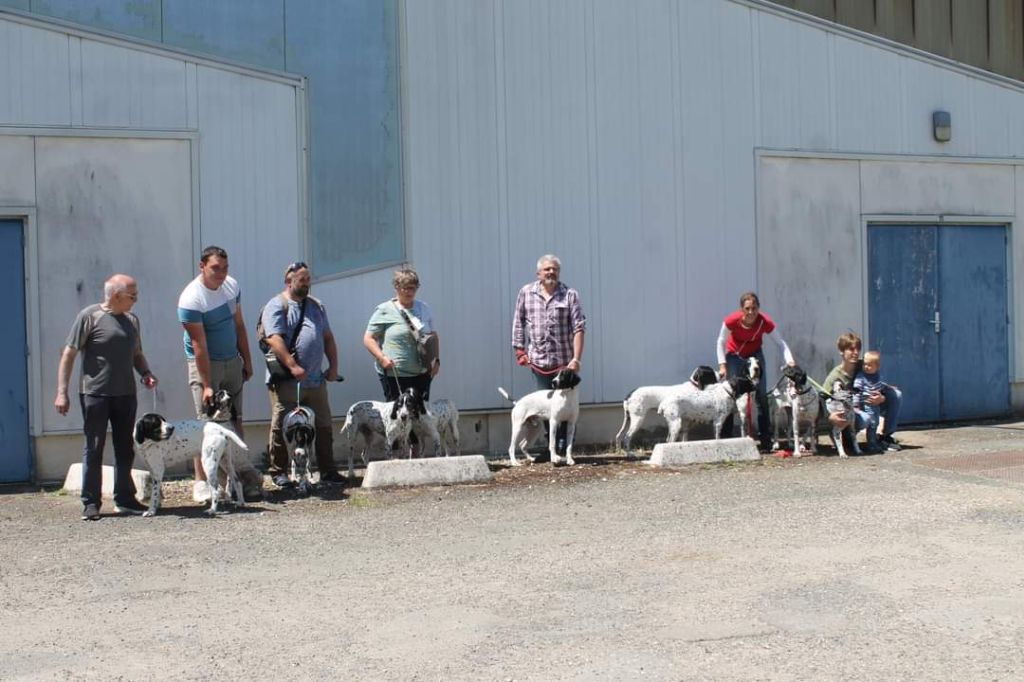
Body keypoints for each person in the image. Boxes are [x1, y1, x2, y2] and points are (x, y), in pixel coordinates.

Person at [54, 274, 157, 520]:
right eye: (132, 296)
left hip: (125, 393)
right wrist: (62, 392)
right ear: (116, 295)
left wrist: (146, 373)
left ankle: (125, 498)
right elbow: (69, 354)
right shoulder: (89, 317)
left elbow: (137, 353)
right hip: (95, 394)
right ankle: (91, 502)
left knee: (125, 447)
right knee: (94, 447)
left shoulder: (132, 320)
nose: (136, 300)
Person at [177, 245, 262, 502]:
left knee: (235, 420)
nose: (221, 273)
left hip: (231, 361)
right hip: (206, 364)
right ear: (202, 266)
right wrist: (206, 385)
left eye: (225, 268)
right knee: (207, 425)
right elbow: (199, 344)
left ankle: (234, 480)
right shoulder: (191, 298)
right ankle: (202, 481)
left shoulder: (231, 286)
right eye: (215, 268)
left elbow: (239, 325)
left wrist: (246, 359)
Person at [261, 261, 344, 486]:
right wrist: (292, 365)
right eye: (302, 279)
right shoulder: (277, 305)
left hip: (316, 380)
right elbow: (274, 339)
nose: (307, 283)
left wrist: (333, 366)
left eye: (308, 279)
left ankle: (328, 470)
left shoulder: (317, 306)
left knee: (324, 423)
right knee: (282, 423)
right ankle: (279, 471)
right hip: (288, 381)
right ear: (289, 281)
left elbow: (327, 337)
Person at [511, 254, 586, 452]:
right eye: (547, 269)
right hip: (538, 362)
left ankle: (564, 446)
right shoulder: (526, 293)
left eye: (554, 269)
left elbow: (579, 328)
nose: (551, 272)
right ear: (539, 273)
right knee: (545, 408)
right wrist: (520, 350)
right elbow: (518, 323)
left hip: (565, 364)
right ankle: (551, 446)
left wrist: (576, 359)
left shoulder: (570, 294)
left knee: (567, 406)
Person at [716, 292, 795, 451]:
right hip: (735, 355)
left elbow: (780, 343)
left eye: (754, 308)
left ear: (758, 308)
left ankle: (765, 439)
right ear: (741, 309)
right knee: (730, 396)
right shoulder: (731, 320)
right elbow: (721, 341)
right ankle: (726, 438)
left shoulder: (764, 321)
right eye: (747, 309)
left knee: (761, 397)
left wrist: (790, 360)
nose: (751, 312)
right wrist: (723, 364)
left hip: (755, 356)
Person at [363, 268, 441, 402]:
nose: (411, 292)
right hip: (395, 374)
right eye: (406, 288)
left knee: (420, 415)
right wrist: (382, 358)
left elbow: (433, 336)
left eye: (414, 288)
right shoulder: (384, 310)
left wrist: (437, 361)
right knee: (399, 417)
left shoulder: (423, 308)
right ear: (397, 287)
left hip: (422, 373)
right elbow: (368, 338)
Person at [824, 334, 902, 453]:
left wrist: (882, 397)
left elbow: (875, 380)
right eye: (851, 349)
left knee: (896, 394)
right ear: (841, 351)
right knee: (866, 419)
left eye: (858, 349)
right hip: (849, 411)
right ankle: (847, 436)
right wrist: (830, 417)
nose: (856, 353)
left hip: (867, 403)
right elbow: (822, 398)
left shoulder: (864, 365)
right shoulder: (835, 376)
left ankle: (885, 437)